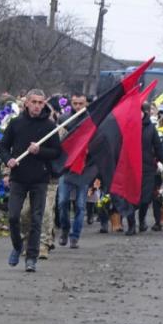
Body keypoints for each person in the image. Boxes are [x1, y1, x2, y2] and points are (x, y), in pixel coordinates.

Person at [0, 89, 61, 272]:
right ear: (26, 103)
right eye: (33, 102)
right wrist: (7, 159)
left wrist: (39, 151)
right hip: (18, 176)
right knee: (13, 216)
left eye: (40, 103)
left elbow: (56, 151)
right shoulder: (16, 123)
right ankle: (18, 246)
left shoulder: (50, 126)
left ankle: (32, 257)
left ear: (44, 104)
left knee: (36, 218)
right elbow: (3, 145)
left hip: (40, 178)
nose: (37, 106)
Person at [126, 103, 163, 235]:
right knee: (130, 197)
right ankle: (131, 225)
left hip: (147, 167)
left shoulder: (150, 128)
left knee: (145, 198)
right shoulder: (127, 126)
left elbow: (158, 148)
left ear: (142, 113)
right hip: (130, 167)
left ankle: (142, 220)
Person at [57, 93, 90, 249]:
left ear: (86, 104)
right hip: (66, 166)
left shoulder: (91, 119)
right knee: (62, 202)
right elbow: (57, 141)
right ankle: (64, 229)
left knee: (80, 205)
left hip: (83, 167)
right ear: (71, 103)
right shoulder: (64, 119)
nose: (78, 107)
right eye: (75, 103)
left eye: (81, 104)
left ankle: (75, 235)